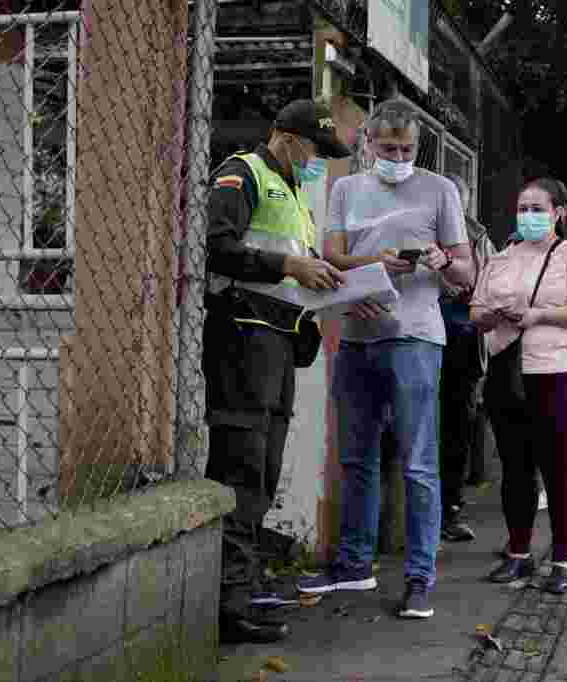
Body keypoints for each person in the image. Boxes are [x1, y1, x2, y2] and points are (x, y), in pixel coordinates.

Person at [297, 98, 474, 620]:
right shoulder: (347, 188)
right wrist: (372, 268)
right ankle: (354, 564)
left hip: (416, 334)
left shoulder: (440, 191)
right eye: (389, 148)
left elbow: (465, 275)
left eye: (408, 149)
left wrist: (443, 260)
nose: (398, 156)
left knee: (419, 461)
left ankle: (419, 577)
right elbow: (330, 255)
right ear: (368, 144)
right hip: (356, 333)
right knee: (356, 457)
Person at [202, 99, 351, 643]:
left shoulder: (291, 192)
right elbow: (216, 246)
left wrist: (330, 281)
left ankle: (243, 591)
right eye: (315, 148)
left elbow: (292, 266)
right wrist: (291, 264)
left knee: (263, 468)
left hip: (278, 341)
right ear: (285, 137)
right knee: (241, 463)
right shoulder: (242, 174)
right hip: (242, 336)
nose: (318, 161)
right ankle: (227, 603)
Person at [471, 178, 567, 594]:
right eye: (522, 207)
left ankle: (564, 559)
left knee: (560, 466)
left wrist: (539, 315)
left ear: (558, 212)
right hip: (506, 369)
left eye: (537, 208)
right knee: (515, 468)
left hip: (560, 370)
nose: (527, 215)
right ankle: (518, 554)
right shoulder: (503, 256)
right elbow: (476, 309)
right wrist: (494, 314)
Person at [438, 173, 495, 543]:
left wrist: (467, 288)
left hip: (462, 340)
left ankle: (450, 510)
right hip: (422, 335)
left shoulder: (478, 236)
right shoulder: (421, 224)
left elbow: (490, 287)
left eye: (458, 196)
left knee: (457, 428)